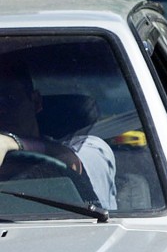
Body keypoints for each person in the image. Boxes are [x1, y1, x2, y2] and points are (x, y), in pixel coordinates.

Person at [0, 59, 117, 209]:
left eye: (9, 100)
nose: (1, 111)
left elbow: (72, 162)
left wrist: (11, 143)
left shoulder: (91, 147)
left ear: (36, 102)